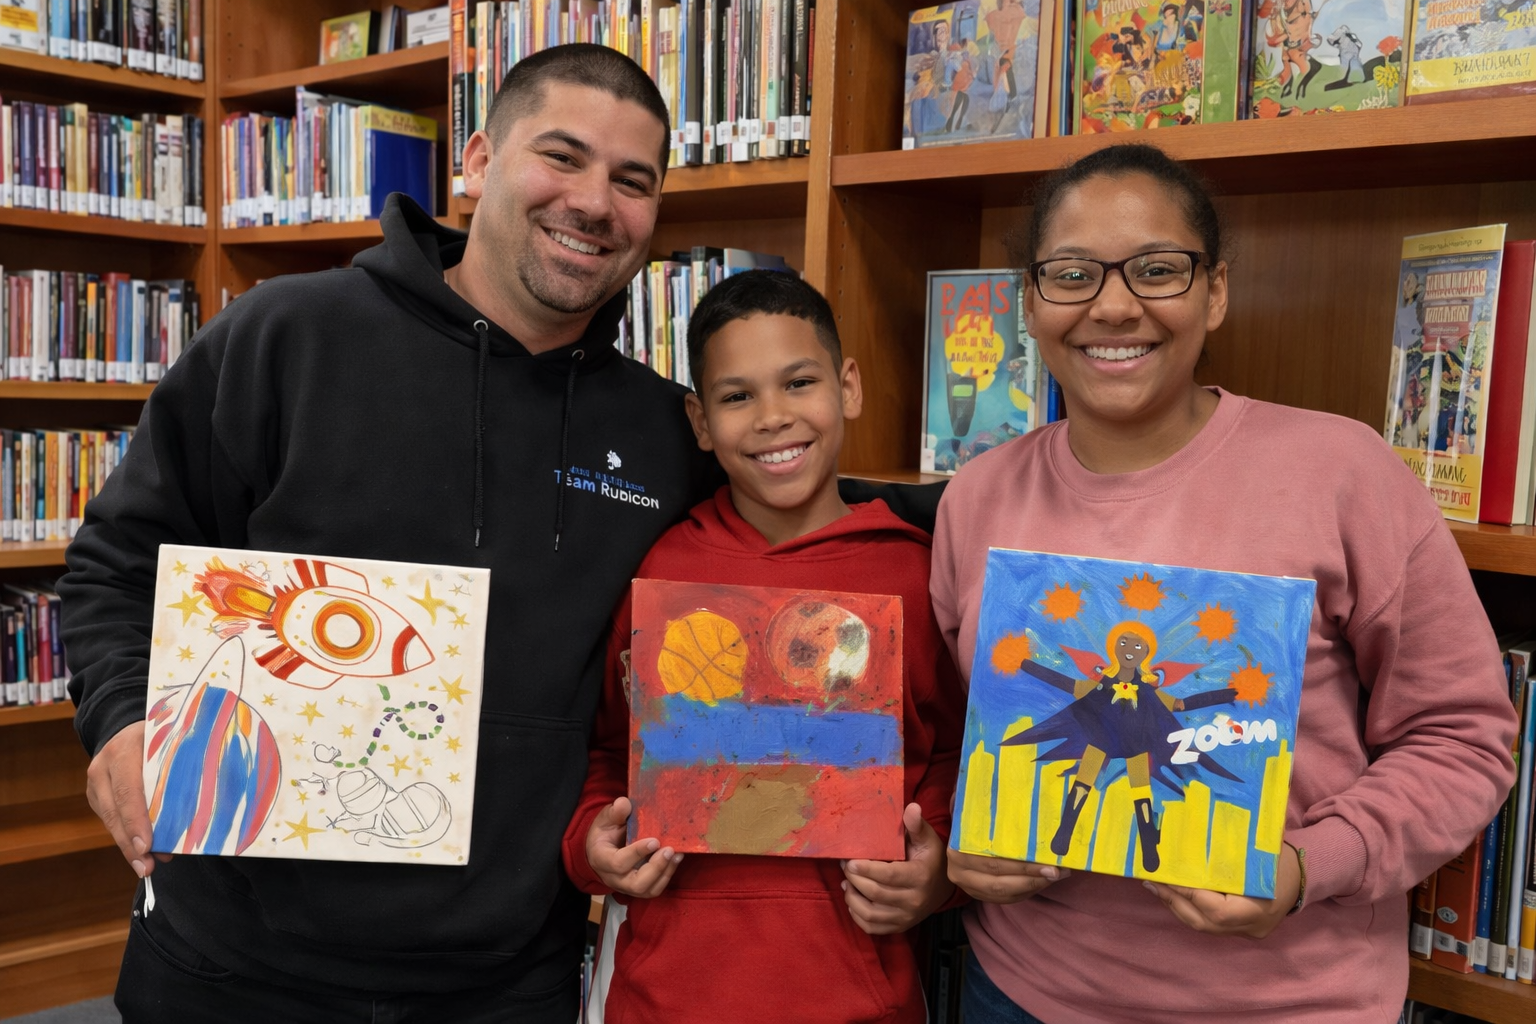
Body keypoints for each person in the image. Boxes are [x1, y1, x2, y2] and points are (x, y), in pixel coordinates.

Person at [63, 44, 731, 1023]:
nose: (595, 203)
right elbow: (120, 565)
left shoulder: (666, 436)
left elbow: (806, 530)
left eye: (634, 181)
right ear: (475, 159)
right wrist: (121, 719)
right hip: (232, 961)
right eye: (563, 156)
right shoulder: (288, 336)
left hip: (503, 979)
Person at [930, 143, 1518, 1024]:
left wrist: (1308, 866)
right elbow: (957, 732)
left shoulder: (1340, 469)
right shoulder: (976, 497)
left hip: (1292, 1003)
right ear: (1031, 301)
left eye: (1158, 270)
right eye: (1073, 274)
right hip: (1021, 992)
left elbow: (1464, 740)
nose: (1116, 306)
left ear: (1216, 291)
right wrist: (959, 837)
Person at [561, 271, 965, 1023]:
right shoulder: (661, 567)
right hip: (666, 993)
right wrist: (595, 844)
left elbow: (955, 754)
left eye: (799, 382)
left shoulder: (914, 572)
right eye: (738, 396)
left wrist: (939, 866)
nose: (774, 417)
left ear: (847, 386)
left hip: (857, 996)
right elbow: (607, 753)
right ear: (701, 421)